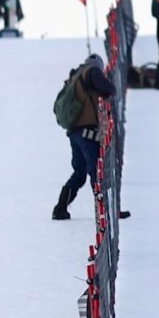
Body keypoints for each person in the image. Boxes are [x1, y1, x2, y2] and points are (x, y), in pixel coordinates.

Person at [52, 54, 118, 220]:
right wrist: (108, 88)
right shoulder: (92, 71)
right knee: (97, 171)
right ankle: (104, 212)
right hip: (87, 133)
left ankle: (60, 209)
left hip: (74, 132)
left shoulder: (75, 76)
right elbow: (108, 88)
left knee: (79, 172)